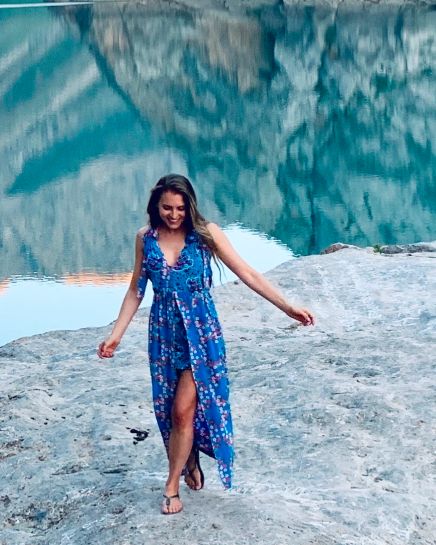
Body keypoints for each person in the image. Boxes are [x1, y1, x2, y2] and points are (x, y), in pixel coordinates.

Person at [97, 174, 315, 515]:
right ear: (156, 205)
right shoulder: (146, 239)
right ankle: (190, 459)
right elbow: (135, 290)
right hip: (164, 337)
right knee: (170, 412)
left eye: (181, 208)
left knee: (183, 410)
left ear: (190, 206)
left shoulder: (206, 235)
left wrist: (288, 307)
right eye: (167, 207)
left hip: (202, 335)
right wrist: (116, 334)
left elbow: (247, 273)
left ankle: (171, 486)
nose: (174, 215)